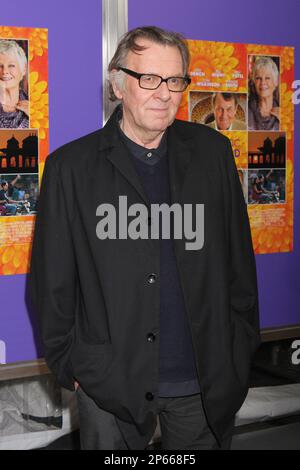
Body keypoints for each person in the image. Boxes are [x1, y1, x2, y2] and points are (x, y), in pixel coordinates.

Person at [30, 26, 260, 450]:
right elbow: (51, 283)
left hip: (204, 383)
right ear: (118, 84)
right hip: (110, 384)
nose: (164, 93)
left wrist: (239, 348)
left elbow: (238, 266)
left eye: (174, 81)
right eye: (149, 79)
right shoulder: (71, 169)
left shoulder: (213, 153)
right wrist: (72, 365)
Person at [0, 39, 29, 128]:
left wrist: (36, 118)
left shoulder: (37, 108)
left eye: (11, 65)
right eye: (0, 66)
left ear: (23, 69)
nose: (4, 71)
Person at [248, 56, 280, 131]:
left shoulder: (285, 112)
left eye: (267, 78)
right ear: (254, 82)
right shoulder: (247, 110)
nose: (263, 82)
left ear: (275, 82)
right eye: (258, 78)